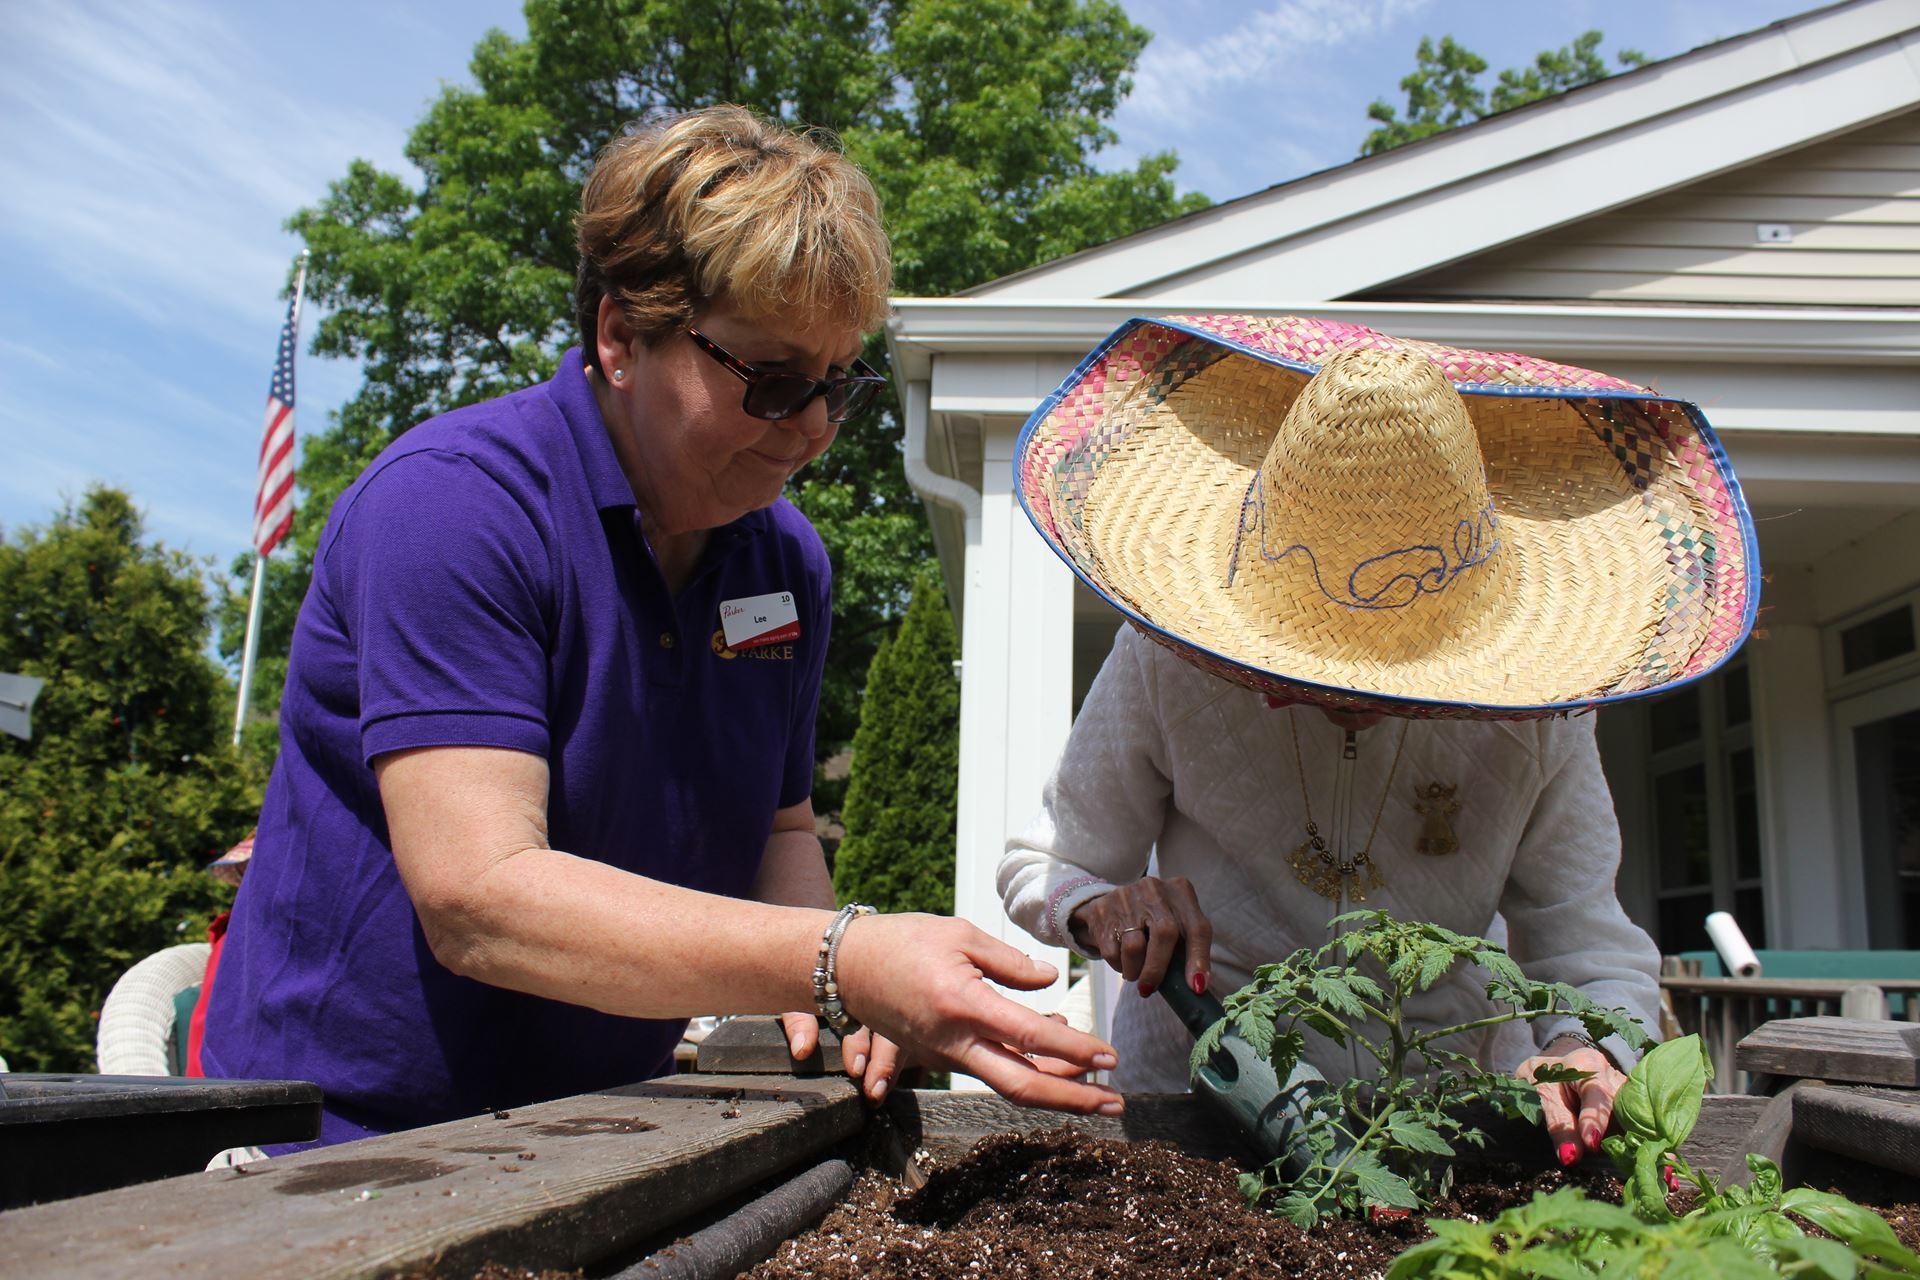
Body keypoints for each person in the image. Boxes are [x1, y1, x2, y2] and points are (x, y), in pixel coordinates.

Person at [202, 106, 1120, 1149]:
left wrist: (829, 995)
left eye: (838, 382)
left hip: (591, 1134)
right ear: (619, 337)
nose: (815, 428)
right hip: (342, 1137)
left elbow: (780, 827)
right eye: (772, 381)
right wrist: (841, 954)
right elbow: (480, 896)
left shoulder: (783, 561)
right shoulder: (454, 508)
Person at [999, 315, 1758, 1167]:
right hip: (1198, 1114)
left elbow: (1584, 939)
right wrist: (1103, 906)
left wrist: (1586, 1046)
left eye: (1396, 686)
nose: (1346, 703)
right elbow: (1045, 861)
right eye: (1297, 670)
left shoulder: (1540, 712)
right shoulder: (1163, 664)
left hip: (1451, 1125)